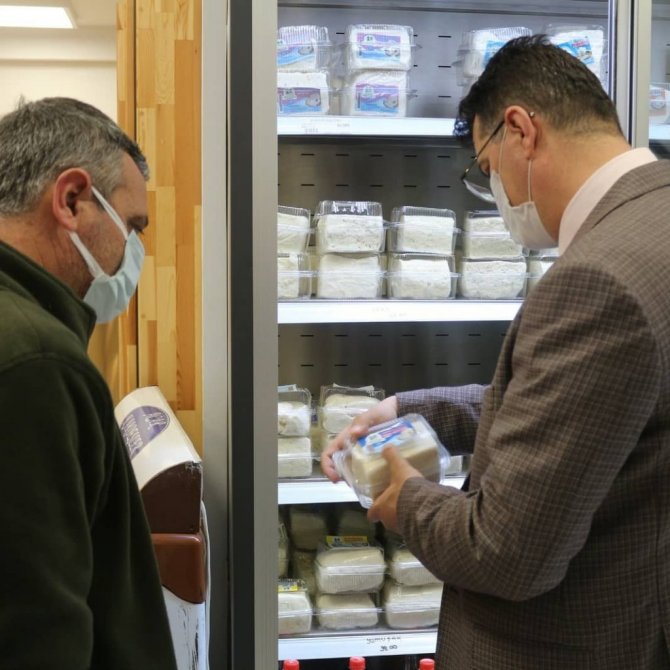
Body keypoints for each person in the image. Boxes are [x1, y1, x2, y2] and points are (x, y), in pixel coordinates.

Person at [322, 35, 670, 669]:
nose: (498, 190)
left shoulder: (598, 279)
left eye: (487, 168)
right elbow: (590, 411)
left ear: (521, 132)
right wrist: (413, 409)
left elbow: (507, 553)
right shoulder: (656, 213)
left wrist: (407, 499)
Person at [0, 98, 178, 669]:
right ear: (72, 200)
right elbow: (39, 628)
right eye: (132, 226)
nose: (131, 253)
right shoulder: (38, 361)